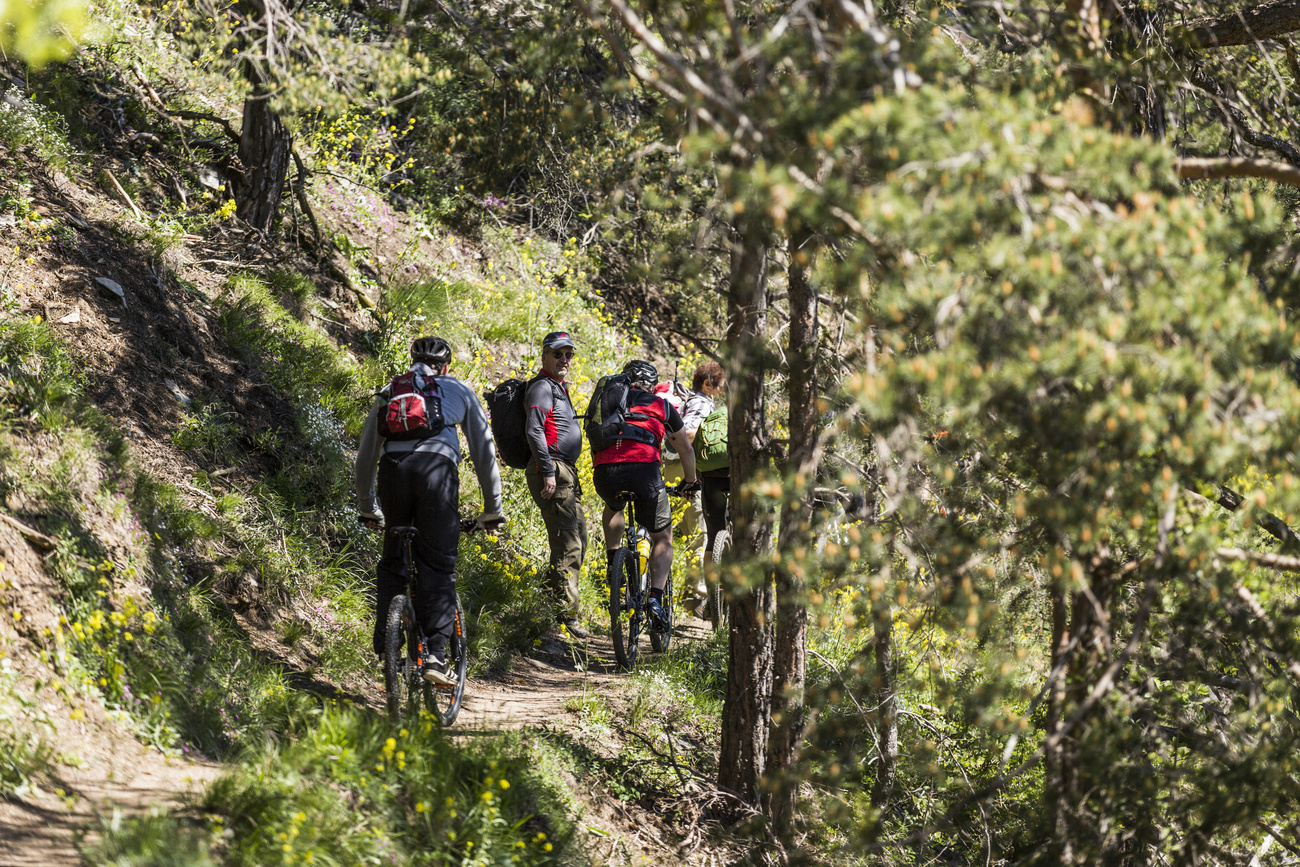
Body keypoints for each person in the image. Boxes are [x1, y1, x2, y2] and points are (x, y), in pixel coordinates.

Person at [355, 336, 504, 685]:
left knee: (394, 560)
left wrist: (367, 507)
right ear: (446, 367)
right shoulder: (458, 390)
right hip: (436, 475)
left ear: (412, 361)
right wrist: (492, 509)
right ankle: (436, 656)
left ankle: (387, 645)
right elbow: (484, 453)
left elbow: (365, 456)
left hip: (393, 473)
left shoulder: (390, 390)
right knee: (437, 562)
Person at [592, 360, 699, 630]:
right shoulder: (661, 405)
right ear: (652, 385)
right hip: (645, 473)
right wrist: (690, 481)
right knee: (662, 537)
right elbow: (685, 448)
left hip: (605, 472)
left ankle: (613, 559)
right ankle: (654, 599)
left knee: (613, 505)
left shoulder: (609, 400)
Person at [524, 331, 589, 640]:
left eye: (569, 355)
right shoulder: (540, 388)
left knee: (578, 539)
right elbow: (534, 430)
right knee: (567, 542)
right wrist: (548, 470)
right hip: (552, 470)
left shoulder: (557, 387)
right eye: (558, 354)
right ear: (545, 356)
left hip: (564, 471)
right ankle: (565, 617)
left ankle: (548, 606)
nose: (564, 360)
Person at [660, 362, 726, 615]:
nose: (722, 390)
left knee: (681, 530)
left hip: (675, 468)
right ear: (708, 384)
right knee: (699, 533)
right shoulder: (701, 403)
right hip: (683, 469)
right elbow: (685, 432)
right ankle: (695, 598)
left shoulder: (699, 400)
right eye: (719, 385)